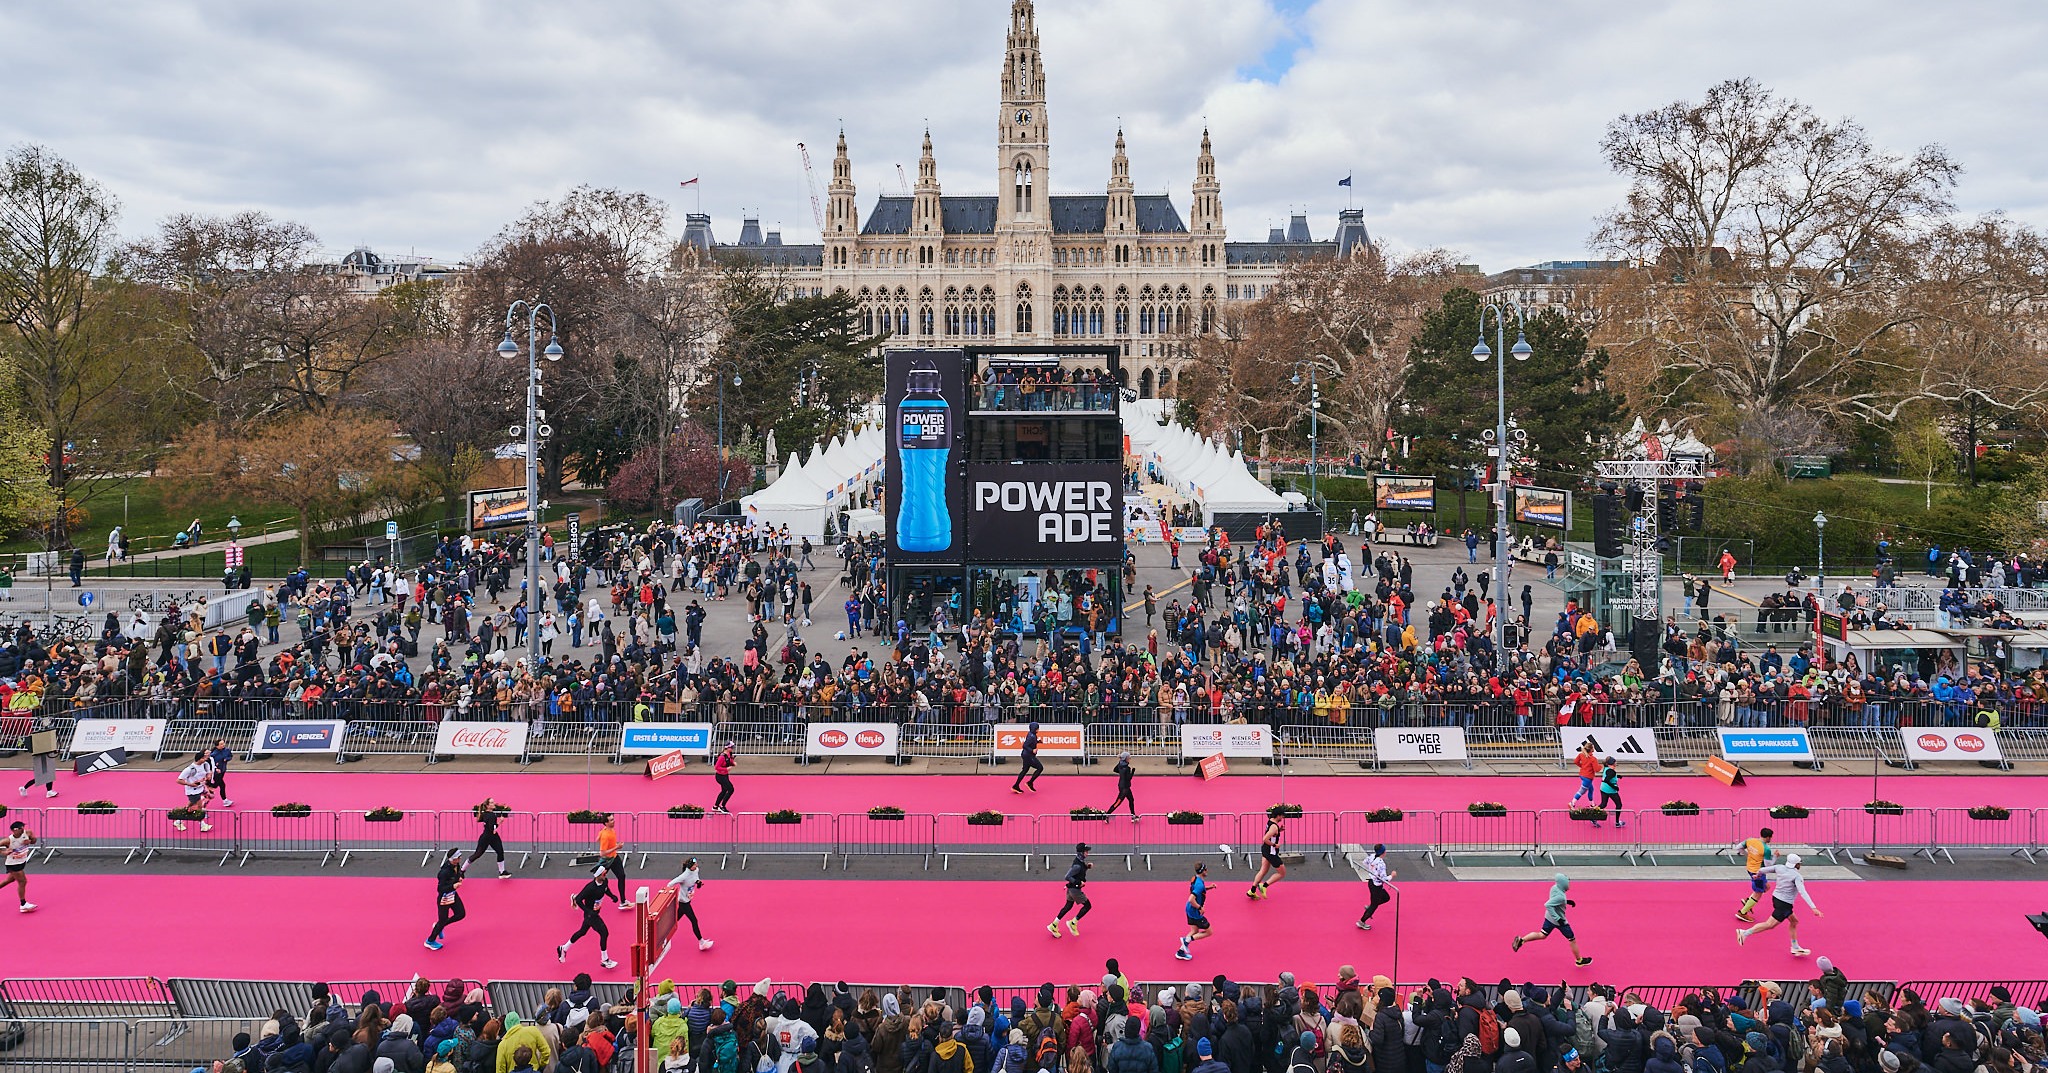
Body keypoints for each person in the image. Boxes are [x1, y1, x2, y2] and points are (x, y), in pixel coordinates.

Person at [1737, 853, 1820, 956]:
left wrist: (1757, 876)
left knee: (1794, 921)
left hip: (1776, 898)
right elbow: (1803, 892)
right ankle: (1744, 933)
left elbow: (1762, 870)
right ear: (1796, 865)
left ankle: (1795, 947)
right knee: (1769, 925)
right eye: (1799, 863)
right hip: (1784, 904)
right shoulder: (1797, 876)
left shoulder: (1779, 867)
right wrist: (1813, 908)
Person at [1511, 872, 1592, 966]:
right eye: (1568, 882)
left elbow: (1554, 900)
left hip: (1549, 918)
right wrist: (1558, 918)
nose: (1569, 884)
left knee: (1542, 935)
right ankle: (1579, 960)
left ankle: (1522, 940)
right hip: (1560, 921)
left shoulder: (1554, 888)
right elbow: (1548, 904)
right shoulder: (1561, 897)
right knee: (1572, 939)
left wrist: (1566, 902)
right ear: (1563, 884)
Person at [559, 865, 619, 968]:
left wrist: (612, 896)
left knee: (582, 932)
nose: (606, 875)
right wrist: (588, 911)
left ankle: (563, 948)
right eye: (604, 874)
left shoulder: (604, 881)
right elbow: (579, 900)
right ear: (598, 875)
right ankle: (605, 959)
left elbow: (606, 889)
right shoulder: (590, 888)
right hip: (591, 915)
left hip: (594, 913)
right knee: (604, 933)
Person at [665, 856, 714, 950]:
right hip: (684, 903)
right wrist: (669, 895)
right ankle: (701, 942)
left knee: (674, 920)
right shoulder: (684, 876)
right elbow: (670, 884)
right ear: (691, 866)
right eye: (695, 865)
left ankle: (661, 934)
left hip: (688, 900)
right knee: (694, 921)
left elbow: (695, 879)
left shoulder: (696, 871)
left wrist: (698, 883)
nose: (697, 866)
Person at [426, 848, 466, 950]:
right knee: (442, 919)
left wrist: (459, 878)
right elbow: (440, 889)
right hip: (444, 898)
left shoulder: (456, 865)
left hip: (452, 895)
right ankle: (430, 941)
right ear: (454, 859)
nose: (460, 858)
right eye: (459, 857)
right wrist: (453, 886)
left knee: (461, 914)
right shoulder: (444, 872)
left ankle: (439, 926)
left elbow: (457, 874)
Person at [1049, 842, 1092, 938]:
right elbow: (1067, 876)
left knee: (1068, 906)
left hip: (1070, 889)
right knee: (1088, 906)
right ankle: (1073, 922)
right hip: (1075, 890)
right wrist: (1078, 883)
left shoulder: (1079, 861)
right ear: (1081, 853)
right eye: (1086, 851)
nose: (1087, 853)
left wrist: (1086, 867)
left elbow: (1079, 871)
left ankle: (1054, 925)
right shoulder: (1077, 865)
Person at [1175, 861, 1213, 961]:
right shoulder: (1200, 884)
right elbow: (1191, 899)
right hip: (1195, 912)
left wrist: (1209, 887)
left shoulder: (1196, 879)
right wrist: (1200, 908)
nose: (1207, 871)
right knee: (1209, 932)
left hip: (1188, 909)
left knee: (1194, 931)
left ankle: (1180, 952)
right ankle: (1186, 939)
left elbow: (1197, 890)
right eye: (1205, 869)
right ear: (1202, 871)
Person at [1738, 827, 1775, 922]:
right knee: (1758, 893)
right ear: (1767, 837)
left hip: (1749, 867)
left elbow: (1738, 847)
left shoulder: (1750, 840)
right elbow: (1768, 865)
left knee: (1767, 887)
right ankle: (1742, 913)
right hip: (1758, 872)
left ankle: (1748, 901)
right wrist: (1775, 857)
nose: (1771, 839)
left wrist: (1748, 855)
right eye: (1770, 837)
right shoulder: (1766, 849)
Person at [1353, 844, 1394, 930]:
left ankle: (1370, 907)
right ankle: (1361, 921)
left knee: (1386, 897)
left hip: (1371, 882)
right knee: (1374, 905)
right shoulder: (1381, 864)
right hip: (1376, 886)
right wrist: (1392, 876)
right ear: (1383, 852)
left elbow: (1364, 862)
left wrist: (1371, 869)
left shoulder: (1371, 857)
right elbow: (1384, 879)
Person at [1247, 813, 1287, 899]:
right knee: (1282, 873)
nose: (1283, 817)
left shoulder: (1271, 822)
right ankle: (1264, 885)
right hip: (1271, 853)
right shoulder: (1274, 826)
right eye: (1282, 816)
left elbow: (1272, 833)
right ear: (1278, 815)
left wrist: (1279, 830)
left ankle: (1252, 891)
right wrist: (1274, 845)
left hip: (1265, 850)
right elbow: (1265, 839)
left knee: (1263, 871)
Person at [3, 820, 37, 912]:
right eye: (21, 828)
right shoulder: (8, 840)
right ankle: (23, 904)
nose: (23, 829)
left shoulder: (28, 833)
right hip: (13, 864)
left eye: (23, 827)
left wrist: (30, 841)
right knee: (22, 882)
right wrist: (3, 852)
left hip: (22, 861)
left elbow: (34, 840)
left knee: (9, 880)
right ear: (14, 830)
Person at [597, 813, 630, 909]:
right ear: (606, 823)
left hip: (614, 858)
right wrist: (617, 847)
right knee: (598, 880)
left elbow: (598, 838)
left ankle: (623, 901)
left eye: (613, 819)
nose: (614, 821)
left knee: (621, 876)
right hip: (606, 860)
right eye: (611, 820)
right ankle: (579, 897)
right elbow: (602, 853)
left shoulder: (608, 830)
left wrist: (615, 846)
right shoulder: (605, 835)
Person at [17, 720, 56, 799]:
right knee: (40, 777)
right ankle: (24, 788)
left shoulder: (45, 735)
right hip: (40, 758)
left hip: (45, 756)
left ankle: (49, 791)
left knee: (48, 775)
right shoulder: (37, 736)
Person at [174, 756, 213, 832]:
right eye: (203, 758)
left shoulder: (205, 765)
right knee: (199, 807)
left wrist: (208, 776)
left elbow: (208, 772)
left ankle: (178, 821)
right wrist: (190, 784)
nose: (205, 759)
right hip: (192, 792)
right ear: (199, 759)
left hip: (199, 789)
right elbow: (178, 780)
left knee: (188, 807)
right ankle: (202, 824)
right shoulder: (189, 769)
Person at [475, 798, 511, 879]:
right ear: (488, 806)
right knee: (478, 854)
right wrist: (500, 822)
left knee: (500, 851)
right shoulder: (491, 816)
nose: (494, 803)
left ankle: (502, 871)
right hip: (488, 837)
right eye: (491, 802)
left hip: (491, 836)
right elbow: (492, 829)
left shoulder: (486, 814)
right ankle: (462, 870)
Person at [1589, 757, 1625, 829]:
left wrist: (1617, 776)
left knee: (1603, 804)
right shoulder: (1612, 771)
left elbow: (1608, 776)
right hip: (1610, 790)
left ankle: (1592, 816)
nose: (1616, 763)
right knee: (1619, 805)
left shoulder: (1606, 769)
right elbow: (1607, 779)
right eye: (1615, 762)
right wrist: (1615, 787)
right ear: (1611, 764)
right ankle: (1617, 822)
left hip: (1603, 788)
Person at [1012, 722, 1044, 794]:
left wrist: (1038, 742)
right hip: (1028, 756)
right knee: (1040, 768)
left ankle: (1016, 786)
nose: (1038, 730)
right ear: (1035, 729)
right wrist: (1032, 750)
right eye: (1037, 728)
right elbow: (1025, 745)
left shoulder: (1032, 734)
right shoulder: (1031, 736)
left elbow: (1031, 743)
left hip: (1026, 755)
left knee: (1025, 770)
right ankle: (1030, 782)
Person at [1106, 751, 1137, 820]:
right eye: (1129, 758)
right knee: (1118, 802)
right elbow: (1129, 778)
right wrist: (1133, 772)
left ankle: (1133, 815)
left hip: (1122, 786)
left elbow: (1115, 770)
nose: (1129, 759)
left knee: (1131, 800)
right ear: (1126, 759)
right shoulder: (1127, 768)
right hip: (1125, 788)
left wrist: (1121, 773)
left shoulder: (1120, 765)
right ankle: (1107, 814)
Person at [1569, 740, 1600, 807]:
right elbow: (1596, 769)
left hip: (1582, 775)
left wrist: (1582, 766)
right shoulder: (1593, 759)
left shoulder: (1581, 755)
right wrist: (1601, 766)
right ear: (1591, 749)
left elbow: (1576, 761)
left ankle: (1592, 804)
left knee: (1591, 789)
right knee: (1582, 791)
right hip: (1588, 777)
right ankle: (1572, 803)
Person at [206, 738, 234, 808]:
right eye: (221, 744)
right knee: (222, 785)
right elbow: (210, 763)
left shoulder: (227, 750)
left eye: (223, 743)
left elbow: (230, 756)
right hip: (216, 772)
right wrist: (215, 768)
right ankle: (225, 800)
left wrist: (226, 759)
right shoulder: (213, 754)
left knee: (216, 785)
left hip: (223, 770)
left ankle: (208, 785)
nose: (223, 745)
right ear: (217, 746)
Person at [713, 744, 737, 814]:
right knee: (731, 789)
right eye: (731, 748)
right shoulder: (722, 757)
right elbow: (716, 767)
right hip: (720, 776)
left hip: (725, 775)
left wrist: (733, 763)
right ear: (727, 748)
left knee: (724, 790)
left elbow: (729, 761)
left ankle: (716, 806)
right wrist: (726, 769)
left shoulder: (729, 754)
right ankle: (722, 806)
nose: (732, 749)